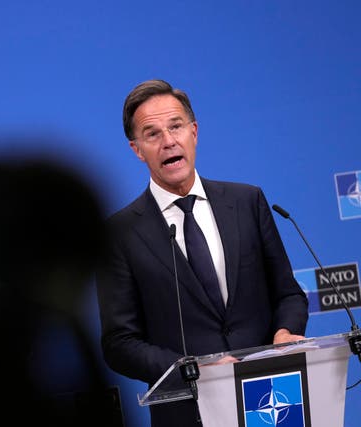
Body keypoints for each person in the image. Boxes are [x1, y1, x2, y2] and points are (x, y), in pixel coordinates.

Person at [95, 79, 309, 426]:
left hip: (271, 402)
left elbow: (288, 294)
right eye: (152, 134)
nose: (168, 141)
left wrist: (285, 332)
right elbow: (119, 342)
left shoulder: (246, 202)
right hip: (186, 412)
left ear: (194, 131)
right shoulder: (120, 234)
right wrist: (192, 369)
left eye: (176, 126)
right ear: (137, 149)